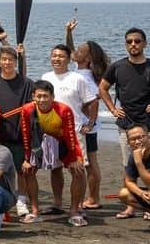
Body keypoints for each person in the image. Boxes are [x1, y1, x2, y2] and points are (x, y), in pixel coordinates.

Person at [19, 80, 87, 226]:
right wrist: (27, 158)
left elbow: (70, 136)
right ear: (33, 97)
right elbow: (26, 135)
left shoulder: (64, 109)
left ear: (53, 96)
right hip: (41, 142)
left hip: (63, 142)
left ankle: (75, 211)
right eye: (39, 96)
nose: (42, 100)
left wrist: (74, 159)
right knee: (28, 170)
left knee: (78, 170)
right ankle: (35, 211)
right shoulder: (26, 109)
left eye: (46, 96)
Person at [42, 44, 97, 216]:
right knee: (55, 168)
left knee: (77, 169)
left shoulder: (77, 78)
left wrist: (91, 123)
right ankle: (58, 203)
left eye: (61, 56)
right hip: (51, 131)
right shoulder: (46, 77)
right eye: (54, 55)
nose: (57, 59)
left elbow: (92, 101)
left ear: (68, 59)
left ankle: (78, 206)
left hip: (74, 130)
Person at [66, 20, 108, 211]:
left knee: (91, 163)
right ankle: (92, 197)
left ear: (88, 58)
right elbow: (70, 50)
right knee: (90, 161)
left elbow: (92, 102)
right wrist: (68, 32)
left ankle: (93, 198)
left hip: (85, 127)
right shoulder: (81, 71)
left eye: (80, 51)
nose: (75, 53)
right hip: (84, 126)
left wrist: (89, 122)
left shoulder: (85, 77)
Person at [0, 45, 32, 216]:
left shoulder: (26, 83)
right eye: (4, 59)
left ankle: (21, 201)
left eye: (10, 60)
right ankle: (0, 200)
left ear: (15, 62)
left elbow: (31, 108)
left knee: (22, 170)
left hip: (19, 134)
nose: (7, 63)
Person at [99, 28, 150, 173]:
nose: (133, 44)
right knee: (129, 166)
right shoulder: (117, 66)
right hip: (126, 125)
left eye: (137, 41)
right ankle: (131, 193)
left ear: (144, 44)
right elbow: (102, 88)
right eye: (129, 41)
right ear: (126, 44)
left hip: (149, 123)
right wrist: (113, 109)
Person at [117, 124, 150, 220]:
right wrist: (140, 193)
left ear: (148, 136)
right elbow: (129, 181)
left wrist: (139, 163)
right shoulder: (134, 155)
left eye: (141, 137)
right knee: (124, 193)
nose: (138, 142)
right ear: (128, 142)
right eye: (133, 139)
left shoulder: (137, 157)